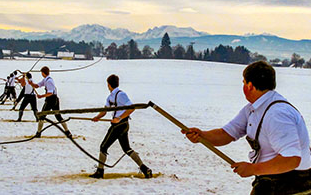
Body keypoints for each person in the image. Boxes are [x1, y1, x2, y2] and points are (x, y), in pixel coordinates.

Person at [182, 61, 311, 195]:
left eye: (243, 82)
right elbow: (226, 134)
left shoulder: (277, 114)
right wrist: (202, 136)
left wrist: (253, 168)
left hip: (292, 185)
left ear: (249, 86)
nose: (243, 86)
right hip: (271, 181)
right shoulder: (253, 109)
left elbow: (291, 159)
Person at [90, 74, 152, 179]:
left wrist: (119, 118)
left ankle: (100, 172)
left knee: (103, 147)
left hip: (120, 125)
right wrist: (97, 117)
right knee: (127, 149)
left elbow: (131, 108)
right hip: (122, 125)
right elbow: (105, 110)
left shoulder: (121, 95)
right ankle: (145, 169)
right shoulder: (110, 97)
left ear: (109, 85)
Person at [28, 66, 72, 138]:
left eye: (41, 73)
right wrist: (31, 83)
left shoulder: (49, 81)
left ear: (43, 73)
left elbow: (50, 93)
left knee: (43, 116)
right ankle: (67, 132)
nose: (41, 74)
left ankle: (38, 133)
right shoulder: (45, 80)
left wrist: (41, 96)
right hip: (52, 99)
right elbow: (37, 86)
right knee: (58, 116)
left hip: (52, 100)